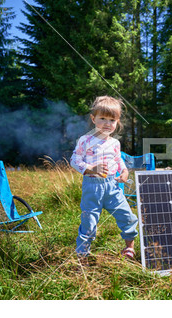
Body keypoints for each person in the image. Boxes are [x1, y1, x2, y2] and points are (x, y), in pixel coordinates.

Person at [70, 96, 138, 263]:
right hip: (92, 187)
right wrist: (90, 169)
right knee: (89, 221)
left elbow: (118, 159)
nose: (107, 123)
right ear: (93, 119)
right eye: (103, 118)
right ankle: (83, 255)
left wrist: (124, 171)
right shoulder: (85, 140)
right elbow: (74, 160)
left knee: (127, 215)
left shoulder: (115, 142)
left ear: (117, 122)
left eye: (112, 120)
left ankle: (130, 247)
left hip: (113, 186)